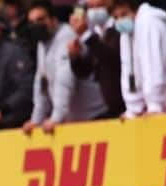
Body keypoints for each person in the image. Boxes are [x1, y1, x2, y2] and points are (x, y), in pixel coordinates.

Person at [22, 0, 107, 132]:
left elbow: (65, 81)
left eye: (40, 20)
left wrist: (56, 117)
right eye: (32, 22)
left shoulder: (66, 36)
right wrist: (36, 119)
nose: (36, 25)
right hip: (76, 120)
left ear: (53, 19)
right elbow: (41, 83)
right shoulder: (42, 43)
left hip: (95, 116)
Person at [111, 0, 166, 117]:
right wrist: (133, 109)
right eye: (116, 17)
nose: (120, 21)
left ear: (135, 10)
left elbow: (152, 66)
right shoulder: (127, 33)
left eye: (124, 14)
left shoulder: (149, 22)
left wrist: (154, 106)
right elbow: (129, 70)